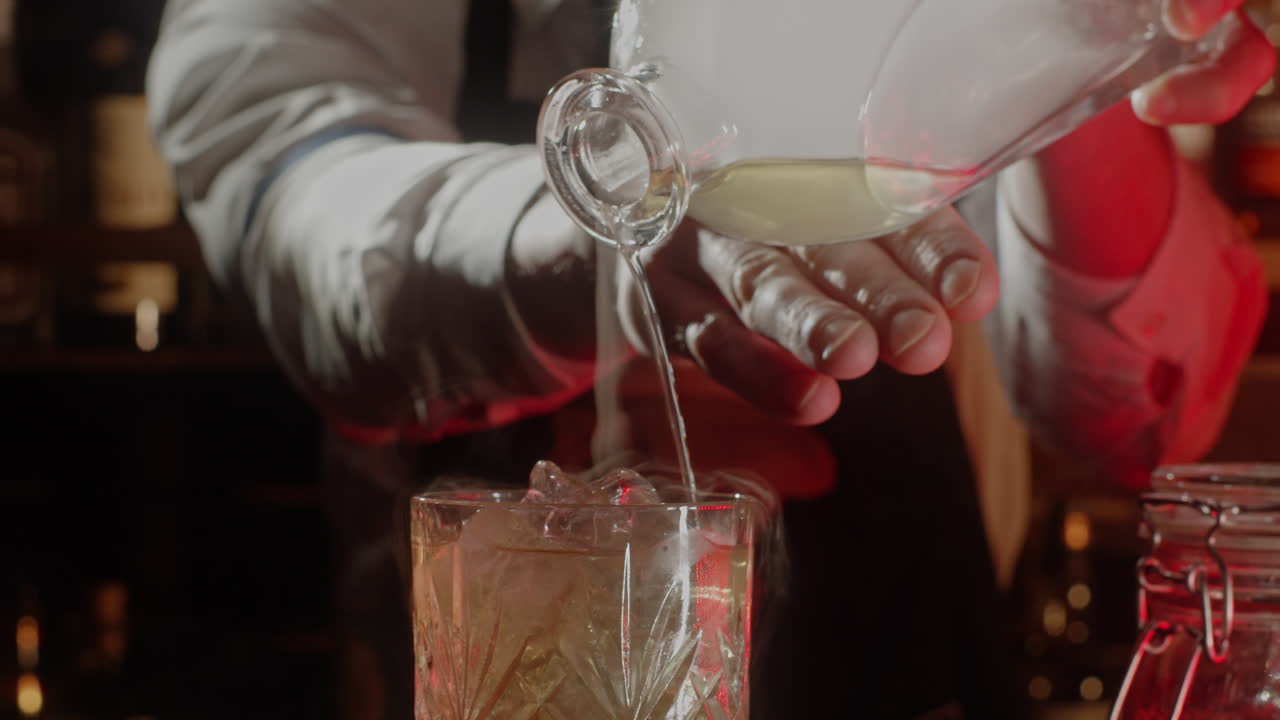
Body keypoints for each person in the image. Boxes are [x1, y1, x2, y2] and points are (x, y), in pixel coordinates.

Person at [146, 1, 1271, 718]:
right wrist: (583, 233)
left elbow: (1138, 427)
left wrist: (1080, 32)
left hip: (911, 677)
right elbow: (311, 239)